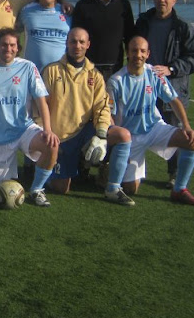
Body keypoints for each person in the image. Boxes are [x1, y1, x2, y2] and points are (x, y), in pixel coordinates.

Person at [105, 36, 194, 206]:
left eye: (142, 51)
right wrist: (114, 140)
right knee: (131, 189)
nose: (138, 55)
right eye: (134, 50)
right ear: (128, 53)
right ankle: (108, 170)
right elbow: (110, 116)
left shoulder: (154, 74)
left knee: (191, 141)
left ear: (148, 53)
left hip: (154, 128)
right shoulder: (116, 81)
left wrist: (187, 126)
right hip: (131, 136)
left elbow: (173, 100)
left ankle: (179, 189)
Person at [41, 28, 134, 204]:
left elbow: (102, 108)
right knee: (61, 188)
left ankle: (113, 188)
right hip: (59, 138)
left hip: (84, 132)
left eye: (82, 42)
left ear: (88, 45)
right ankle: (62, 166)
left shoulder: (95, 76)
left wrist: (100, 135)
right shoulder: (52, 70)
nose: (77, 45)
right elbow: (41, 105)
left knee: (123, 135)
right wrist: (47, 136)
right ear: (67, 43)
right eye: (73, 41)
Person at [0, 28, 59, 207]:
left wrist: (48, 130)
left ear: (17, 48)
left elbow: (41, 101)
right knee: (1, 189)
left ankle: (37, 189)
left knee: (52, 145)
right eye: (4, 44)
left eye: (12, 45)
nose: (8, 49)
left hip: (24, 129)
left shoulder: (27, 67)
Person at [135, 0, 194, 187]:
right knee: (135, 127)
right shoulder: (144, 21)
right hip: (143, 87)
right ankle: (131, 169)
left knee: (175, 132)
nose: (161, 0)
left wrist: (171, 68)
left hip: (172, 88)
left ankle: (174, 175)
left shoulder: (183, 26)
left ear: (174, 0)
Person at [71, 0, 135, 80]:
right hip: (88, 69)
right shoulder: (82, 6)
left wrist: (131, 63)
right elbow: (75, 38)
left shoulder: (123, 5)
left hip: (116, 70)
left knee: (111, 99)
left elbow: (129, 37)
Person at [16, 0, 71, 72]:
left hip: (61, 72)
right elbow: (14, 31)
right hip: (33, 72)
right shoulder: (26, 10)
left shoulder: (68, 11)